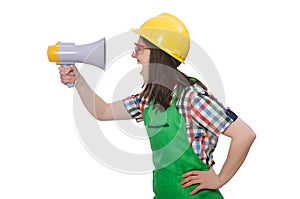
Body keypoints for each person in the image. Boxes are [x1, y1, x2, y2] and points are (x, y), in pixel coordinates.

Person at [59, 13, 256, 198]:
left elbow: (244, 134)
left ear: (158, 55)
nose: (134, 56)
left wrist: (220, 179)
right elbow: (102, 111)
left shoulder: (192, 97)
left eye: (139, 49)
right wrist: (78, 80)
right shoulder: (149, 99)